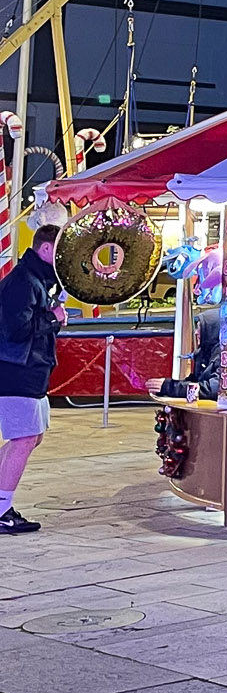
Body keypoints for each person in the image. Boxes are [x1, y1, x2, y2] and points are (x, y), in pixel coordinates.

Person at [0, 227, 66, 534]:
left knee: (31, 436)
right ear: (45, 250)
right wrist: (54, 318)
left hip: (32, 370)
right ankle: (2, 510)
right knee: (24, 438)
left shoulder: (39, 280)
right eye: (61, 249)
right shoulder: (23, 281)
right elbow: (16, 330)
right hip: (17, 370)